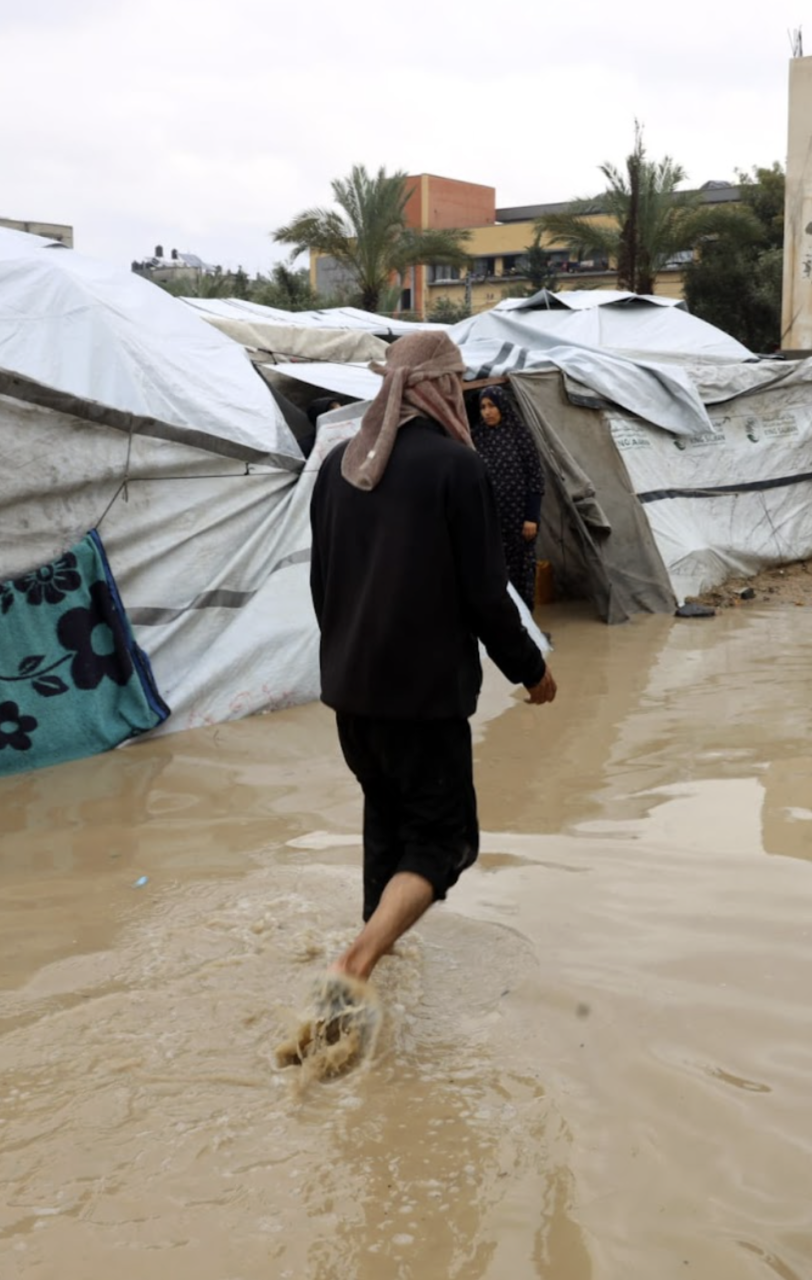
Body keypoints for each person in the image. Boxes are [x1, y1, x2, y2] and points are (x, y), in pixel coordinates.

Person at [285, 330, 558, 1074]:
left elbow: (323, 585)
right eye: (457, 384)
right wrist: (530, 668)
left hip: (350, 693)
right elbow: (484, 591)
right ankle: (357, 963)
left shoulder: (339, 469)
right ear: (437, 387)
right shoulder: (454, 467)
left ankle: (367, 987)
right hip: (424, 698)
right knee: (443, 843)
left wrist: (343, 660)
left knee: (386, 826)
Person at [470, 385, 546, 610]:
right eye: (483, 407)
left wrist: (531, 517)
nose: (487, 412)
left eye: (492, 406)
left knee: (521, 568)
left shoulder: (519, 435)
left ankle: (527, 623)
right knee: (494, 568)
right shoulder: (477, 437)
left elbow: (535, 477)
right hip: (491, 520)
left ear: (502, 406)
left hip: (520, 519)